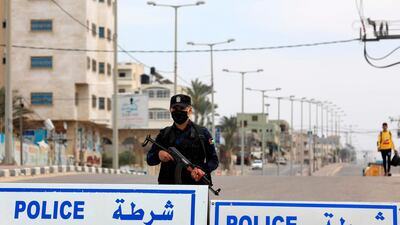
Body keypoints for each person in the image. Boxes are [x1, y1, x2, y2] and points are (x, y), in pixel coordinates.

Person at [146, 94, 219, 185]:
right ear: (170, 110)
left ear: (190, 110)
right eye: (175, 108)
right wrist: (158, 155)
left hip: (196, 188)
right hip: (169, 190)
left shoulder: (203, 133)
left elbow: (214, 160)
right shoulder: (164, 134)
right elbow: (149, 159)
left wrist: (201, 169)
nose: (178, 111)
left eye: (182, 108)